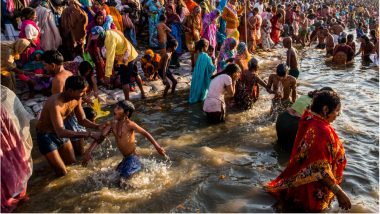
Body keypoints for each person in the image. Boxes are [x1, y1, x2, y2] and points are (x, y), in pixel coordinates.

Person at [266, 90, 351, 212]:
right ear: (325, 109)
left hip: (301, 180)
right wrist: (339, 192)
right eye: (337, 110)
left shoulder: (310, 118)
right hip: (312, 190)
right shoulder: (321, 131)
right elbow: (319, 168)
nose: (338, 115)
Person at [82, 100, 166, 180]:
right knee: (116, 177)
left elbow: (145, 133)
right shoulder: (112, 124)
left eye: (118, 108)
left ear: (126, 113)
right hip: (126, 158)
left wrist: (157, 147)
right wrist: (89, 152)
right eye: (115, 107)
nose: (115, 110)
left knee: (123, 180)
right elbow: (100, 138)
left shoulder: (130, 124)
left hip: (133, 157)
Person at [36, 76, 103, 176]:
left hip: (61, 131)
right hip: (46, 136)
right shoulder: (55, 104)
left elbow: (82, 120)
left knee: (72, 164)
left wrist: (98, 126)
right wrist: (89, 134)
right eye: (82, 92)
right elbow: (61, 132)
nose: (84, 95)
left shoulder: (77, 98)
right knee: (62, 173)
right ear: (71, 91)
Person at [90, 26, 146, 100]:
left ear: (101, 34)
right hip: (131, 52)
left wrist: (107, 75)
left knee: (124, 81)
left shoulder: (109, 40)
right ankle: (143, 93)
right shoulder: (109, 32)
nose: (96, 39)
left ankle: (127, 101)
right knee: (135, 74)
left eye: (97, 37)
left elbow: (110, 58)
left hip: (126, 58)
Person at [276, 87, 333, 153]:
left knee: (281, 145)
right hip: (293, 125)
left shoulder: (306, 96)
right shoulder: (319, 105)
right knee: (292, 153)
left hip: (282, 118)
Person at [189, 39, 215, 104]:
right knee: (202, 89)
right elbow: (211, 68)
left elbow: (195, 64)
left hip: (196, 75)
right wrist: (215, 63)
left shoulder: (197, 54)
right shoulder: (206, 56)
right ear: (204, 47)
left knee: (197, 86)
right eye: (207, 46)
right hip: (203, 77)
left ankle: (195, 99)